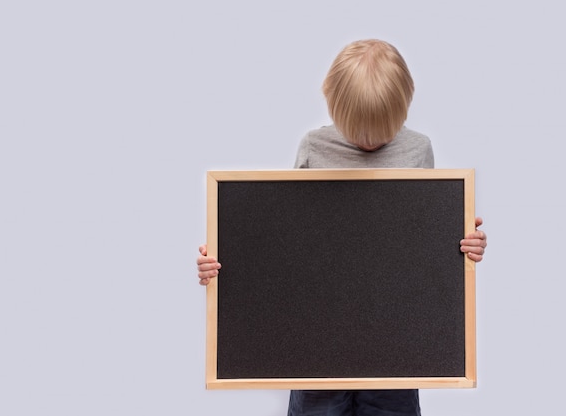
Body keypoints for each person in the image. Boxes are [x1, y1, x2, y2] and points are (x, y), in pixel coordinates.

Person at [196, 39, 487, 416]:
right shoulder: (313, 148)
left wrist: (467, 245)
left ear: (402, 112)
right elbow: (284, 237)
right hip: (317, 336)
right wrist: (222, 262)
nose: (367, 142)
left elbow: (424, 239)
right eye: (357, 132)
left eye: (379, 133)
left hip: (393, 334)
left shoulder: (418, 150)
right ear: (334, 108)